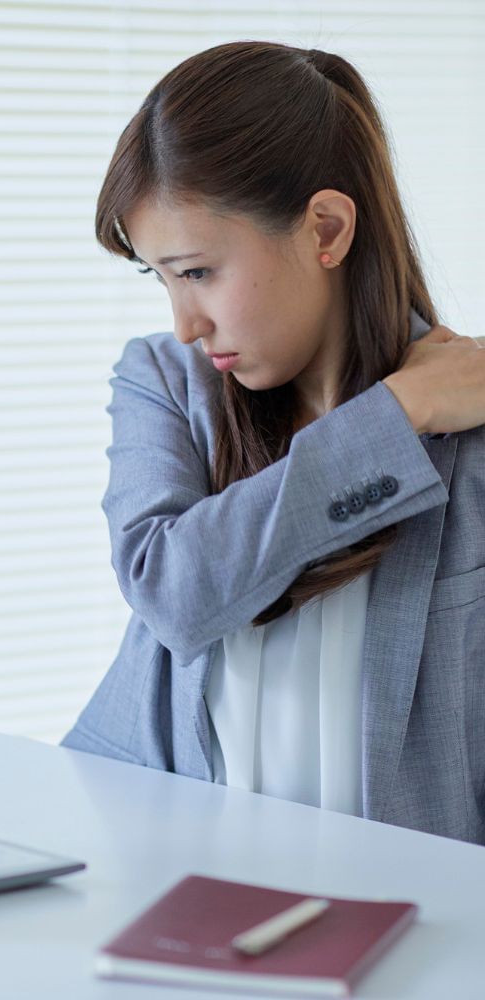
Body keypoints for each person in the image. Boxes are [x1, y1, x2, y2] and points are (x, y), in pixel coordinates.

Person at [61, 40, 485, 845]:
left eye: (196, 272)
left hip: (414, 927)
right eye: (161, 279)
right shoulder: (163, 382)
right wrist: (392, 419)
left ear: (326, 229)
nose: (185, 325)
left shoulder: (472, 416)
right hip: (157, 878)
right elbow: (174, 593)